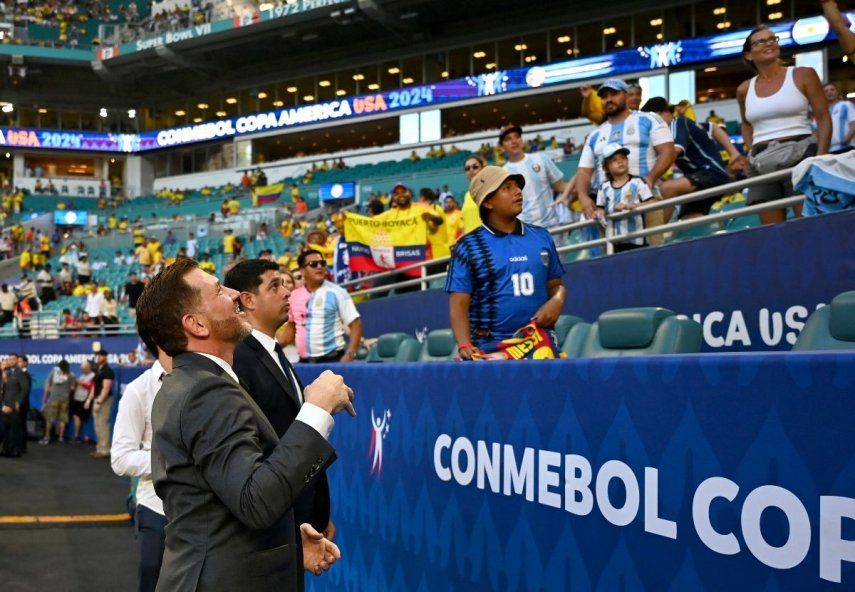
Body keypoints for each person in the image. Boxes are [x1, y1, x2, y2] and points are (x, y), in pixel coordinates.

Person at [134, 257, 354, 591]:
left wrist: (288, 543)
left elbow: (217, 503)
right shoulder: (204, 390)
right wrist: (317, 410)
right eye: (219, 290)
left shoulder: (195, 383)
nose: (236, 293)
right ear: (197, 325)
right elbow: (256, 501)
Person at [226, 259, 334, 536]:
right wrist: (293, 527)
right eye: (275, 286)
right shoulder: (239, 359)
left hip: (300, 518)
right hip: (277, 526)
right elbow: (259, 454)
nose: (288, 292)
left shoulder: (273, 352)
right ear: (248, 299)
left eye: (286, 284)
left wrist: (317, 515)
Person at [446, 166, 566, 359]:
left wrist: (558, 300)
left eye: (517, 186)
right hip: (490, 348)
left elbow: (556, 286)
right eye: (507, 188)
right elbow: (458, 305)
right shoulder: (467, 247)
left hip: (539, 345)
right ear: (488, 202)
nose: (518, 191)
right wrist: (464, 344)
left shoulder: (542, 237)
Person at [737, 25, 830, 224]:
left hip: (802, 156)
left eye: (772, 38)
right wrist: (749, 152)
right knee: (772, 234)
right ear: (749, 55)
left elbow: (823, 118)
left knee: (808, 226)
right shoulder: (744, 89)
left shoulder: (803, 74)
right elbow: (745, 123)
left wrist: (821, 157)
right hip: (760, 162)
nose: (769, 42)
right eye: (761, 41)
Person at [111, 339, 172, 592]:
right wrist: (171, 464)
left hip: (203, 511)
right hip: (156, 506)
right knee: (152, 579)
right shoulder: (139, 390)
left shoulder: (207, 383)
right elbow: (120, 458)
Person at [576, 78, 676, 219]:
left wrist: (650, 179)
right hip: (607, 211)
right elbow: (583, 172)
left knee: (652, 241)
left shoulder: (649, 120)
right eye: (604, 97)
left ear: (626, 95)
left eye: (614, 94)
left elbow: (668, 151)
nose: (608, 99)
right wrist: (583, 197)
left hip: (644, 202)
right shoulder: (594, 135)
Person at [641, 96, 746, 220]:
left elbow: (672, 152)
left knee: (667, 188)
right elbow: (713, 127)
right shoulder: (688, 124)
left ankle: (653, 237)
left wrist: (651, 176)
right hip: (697, 181)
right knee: (689, 220)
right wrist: (734, 152)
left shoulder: (677, 123)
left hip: (710, 174)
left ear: (664, 113)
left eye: (650, 120)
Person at [280, 249, 363, 364]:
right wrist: (272, 347)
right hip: (304, 362)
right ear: (302, 271)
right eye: (313, 264)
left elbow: (356, 324)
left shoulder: (337, 292)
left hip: (332, 360)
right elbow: (291, 330)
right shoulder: (294, 296)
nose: (319, 266)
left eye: (322, 263)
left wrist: (350, 354)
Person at [500, 124, 569, 228]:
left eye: (517, 137)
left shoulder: (542, 158)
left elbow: (560, 186)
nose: (514, 141)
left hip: (552, 227)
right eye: (508, 139)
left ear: (522, 140)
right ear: (502, 147)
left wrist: (582, 190)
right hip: (525, 232)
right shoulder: (502, 173)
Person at [595, 144, 655, 252]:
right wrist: (599, 214)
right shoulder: (603, 188)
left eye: (623, 158)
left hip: (637, 240)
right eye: (614, 160)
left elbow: (651, 202)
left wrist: (634, 206)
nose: (620, 161)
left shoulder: (638, 182)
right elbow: (600, 209)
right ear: (605, 167)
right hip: (614, 243)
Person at [85, 350, 114, 459]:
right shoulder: (98, 370)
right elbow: (94, 387)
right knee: (97, 425)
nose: (98, 357)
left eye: (100, 355)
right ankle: (99, 448)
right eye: (97, 355)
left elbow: (106, 389)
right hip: (97, 399)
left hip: (104, 400)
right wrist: (89, 400)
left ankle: (105, 450)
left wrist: (99, 402)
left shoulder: (108, 371)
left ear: (105, 357)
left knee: (103, 425)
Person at [41, 359, 76, 445]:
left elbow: (47, 385)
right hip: (65, 399)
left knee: (49, 419)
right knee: (62, 419)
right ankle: (60, 437)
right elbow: (72, 388)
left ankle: (47, 437)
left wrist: (45, 397)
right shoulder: (70, 375)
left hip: (53, 398)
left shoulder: (53, 372)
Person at [824, 83, 854, 154]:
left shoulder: (846, 105)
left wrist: (846, 140)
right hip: (829, 151)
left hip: (847, 148)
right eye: (826, 91)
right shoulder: (824, 112)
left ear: (837, 92)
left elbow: (854, 123)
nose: (829, 92)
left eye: (832, 90)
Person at [70, 361, 94, 443]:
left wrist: (80, 383)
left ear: (88, 368)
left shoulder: (92, 376)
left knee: (77, 416)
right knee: (76, 416)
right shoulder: (82, 376)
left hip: (84, 399)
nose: (82, 370)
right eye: (81, 369)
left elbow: (91, 387)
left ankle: (77, 436)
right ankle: (77, 435)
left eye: (83, 369)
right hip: (77, 398)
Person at [460, 155, 485, 235]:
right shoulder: (467, 195)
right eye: (467, 168)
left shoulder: (490, 190)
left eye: (475, 167)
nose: (471, 170)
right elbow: (466, 223)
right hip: (472, 242)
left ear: (483, 169)